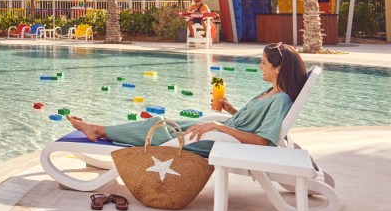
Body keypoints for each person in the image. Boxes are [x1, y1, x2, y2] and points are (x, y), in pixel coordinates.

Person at [66, 43, 307, 156]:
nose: (260, 67)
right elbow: (250, 123)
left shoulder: (281, 100)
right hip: (220, 134)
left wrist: (217, 125)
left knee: (157, 127)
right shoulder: (271, 93)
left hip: (220, 142)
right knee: (162, 121)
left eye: (264, 63)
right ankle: (102, 130)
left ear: (278, 68)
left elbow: (262, 141)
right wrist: (229, 108)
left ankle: (97, 130)